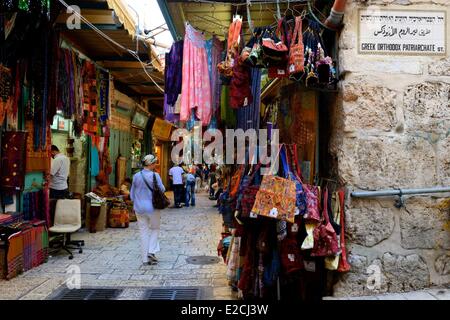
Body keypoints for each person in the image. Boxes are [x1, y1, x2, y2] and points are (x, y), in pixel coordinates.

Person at [130, 154, 165, 265]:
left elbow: (132, 195)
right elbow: (162, 189)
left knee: (143, 232)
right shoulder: (155, 176)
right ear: (150, 164)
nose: (155, 164)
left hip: (139, 208)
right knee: (155, 228)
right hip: (153, 208)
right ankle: (151, 251)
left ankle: (145, 259)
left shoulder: (136, 176)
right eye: (154, 163)